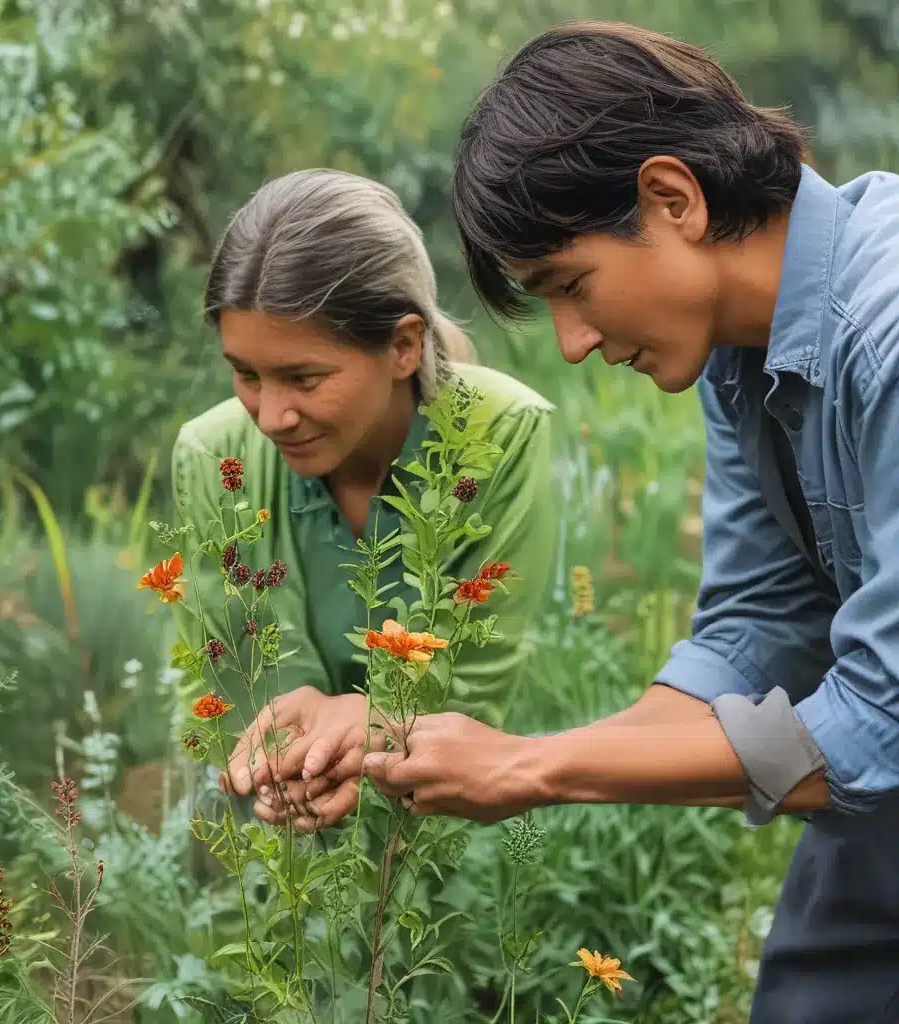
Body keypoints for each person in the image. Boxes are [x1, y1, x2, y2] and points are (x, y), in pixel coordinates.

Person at [224, 22, 899, 1024]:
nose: (575, 343)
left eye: (571, 288)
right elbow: (750, 641)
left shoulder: (882, 334)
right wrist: (426, 741)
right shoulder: (738, 354)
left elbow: (880, 725)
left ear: (672, 199)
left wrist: (527, 765)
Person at [173, 168, 557, 825]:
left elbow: (477, 685)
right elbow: (236, 679)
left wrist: (374, 722)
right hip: (279, 838)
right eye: (246, 374)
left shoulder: (500, 436)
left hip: (459, 832)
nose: (271, 416)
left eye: (304, 377)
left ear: (403, 346)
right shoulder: (216, 457)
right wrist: (321, 737)